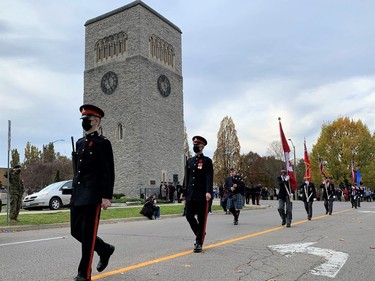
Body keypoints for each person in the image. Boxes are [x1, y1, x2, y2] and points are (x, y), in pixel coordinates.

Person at [70, 104, 115, 281]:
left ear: (96, 121)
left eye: (87, 120)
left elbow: (108, 171)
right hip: (79, 193)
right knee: (75, 231)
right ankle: (104, 249)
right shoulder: (80, 143)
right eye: (83, 120)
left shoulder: (103, 143)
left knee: (88, 235)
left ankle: (83, 274)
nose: (84, 122)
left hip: (93, 194)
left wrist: (106, 196)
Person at [181, 136, 213, 253]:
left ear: (202, 146)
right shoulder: (190, 161)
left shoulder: (207, 161)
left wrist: (208, 191)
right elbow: (187, 178)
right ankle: (200, 233)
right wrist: (183, 192)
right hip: (190, 194)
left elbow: (209, 177)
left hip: (202, 195)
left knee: (201, 219)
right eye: (194, 144)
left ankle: (199, 242)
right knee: (189, 216)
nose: (195, 146)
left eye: (197, 144)